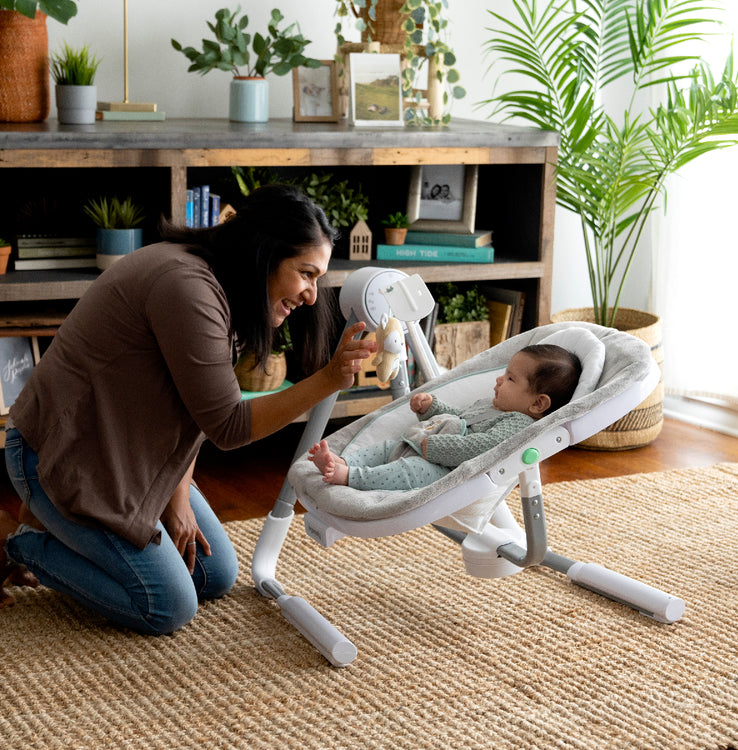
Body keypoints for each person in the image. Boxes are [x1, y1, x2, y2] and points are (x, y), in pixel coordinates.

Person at [0, 184, 377, 631]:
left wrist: (177, 495)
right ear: (265, 253)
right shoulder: (187, 288)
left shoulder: (226, 288)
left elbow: (192, 406)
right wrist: (329, 379)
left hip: (131, 457)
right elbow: (228, 425)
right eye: (306, 274)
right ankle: (18, 542)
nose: (312, 295)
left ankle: (55, 524)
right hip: (61, 455)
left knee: (214, 575)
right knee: (167, 606)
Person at [308, 344, 581, 490]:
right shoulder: (491, 406)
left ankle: (350, 476)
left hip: (444, 469)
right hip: (422, 446)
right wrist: (431, 408)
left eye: (510, 378)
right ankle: (343, 460)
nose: (499, 379)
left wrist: (434, 448)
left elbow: (480, 447)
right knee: (384, 449)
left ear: (537, 403)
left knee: (406, 473)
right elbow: (458, 419)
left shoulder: (518, 424)